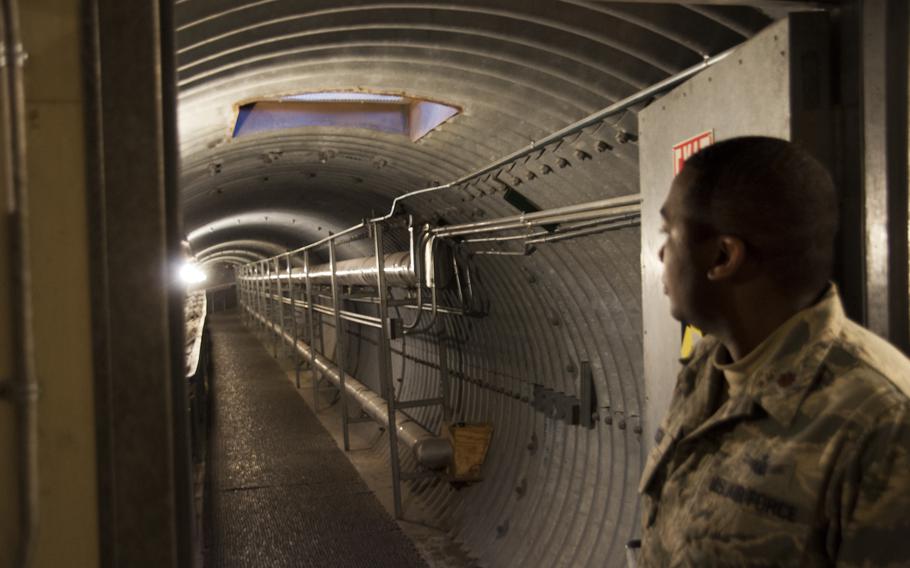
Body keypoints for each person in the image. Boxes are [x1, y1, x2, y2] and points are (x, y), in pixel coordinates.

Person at [638, 136, 910, 566]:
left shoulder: (882, 423)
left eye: (668, 231)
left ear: (722, 256)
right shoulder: (707, 367)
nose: (661, 252)